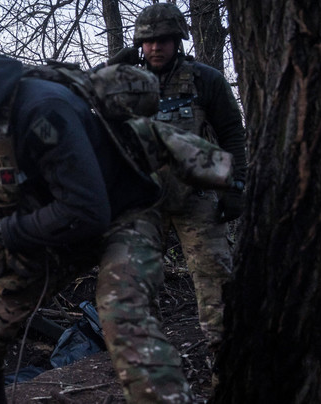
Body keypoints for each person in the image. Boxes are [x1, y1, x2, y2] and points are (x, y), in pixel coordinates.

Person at [0, 38, 194, 403]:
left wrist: (1, 231)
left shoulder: (42, 107)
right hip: (46, 232)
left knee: (123, 319)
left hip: (120, 217)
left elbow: (88, 212)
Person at [122, 3, 248, 357]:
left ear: (178, 39)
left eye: (163, 39)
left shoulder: (204, 79)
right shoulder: (126, 82)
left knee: (216, 287)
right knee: (134, 287)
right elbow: (87, 108)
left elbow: (231, 134)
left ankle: (225, 365)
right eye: (147, 41)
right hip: (143, 200)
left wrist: (236, 186)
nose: (155, 48)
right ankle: (149, 369)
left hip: (196, 196)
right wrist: (112, 67)